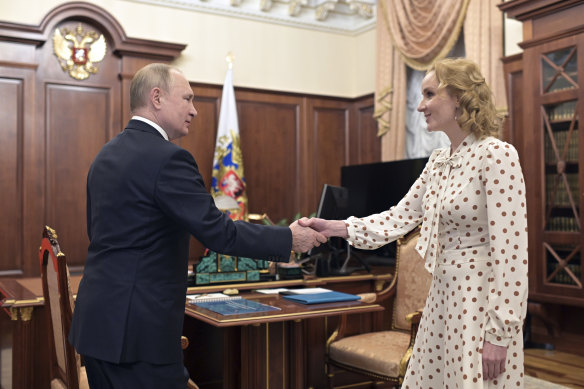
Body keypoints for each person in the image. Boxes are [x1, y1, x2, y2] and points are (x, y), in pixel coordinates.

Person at [69, 63, 326, 388]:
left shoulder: (105, 156)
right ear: (157, 97)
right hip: (139, 333)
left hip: (97, 325)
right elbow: (219, 232)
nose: (194, 110)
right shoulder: (167, 158)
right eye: (187, 99)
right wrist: (288, 238)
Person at [300, 57, 528, 388]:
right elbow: (399, 217)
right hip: (443, 296)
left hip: (480, 302)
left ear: (460, 99)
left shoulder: (497, 155)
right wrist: (336, 227)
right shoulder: (438, 162)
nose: (420, 106)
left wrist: (501, 333)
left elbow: (512, 254)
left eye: (429, 94)